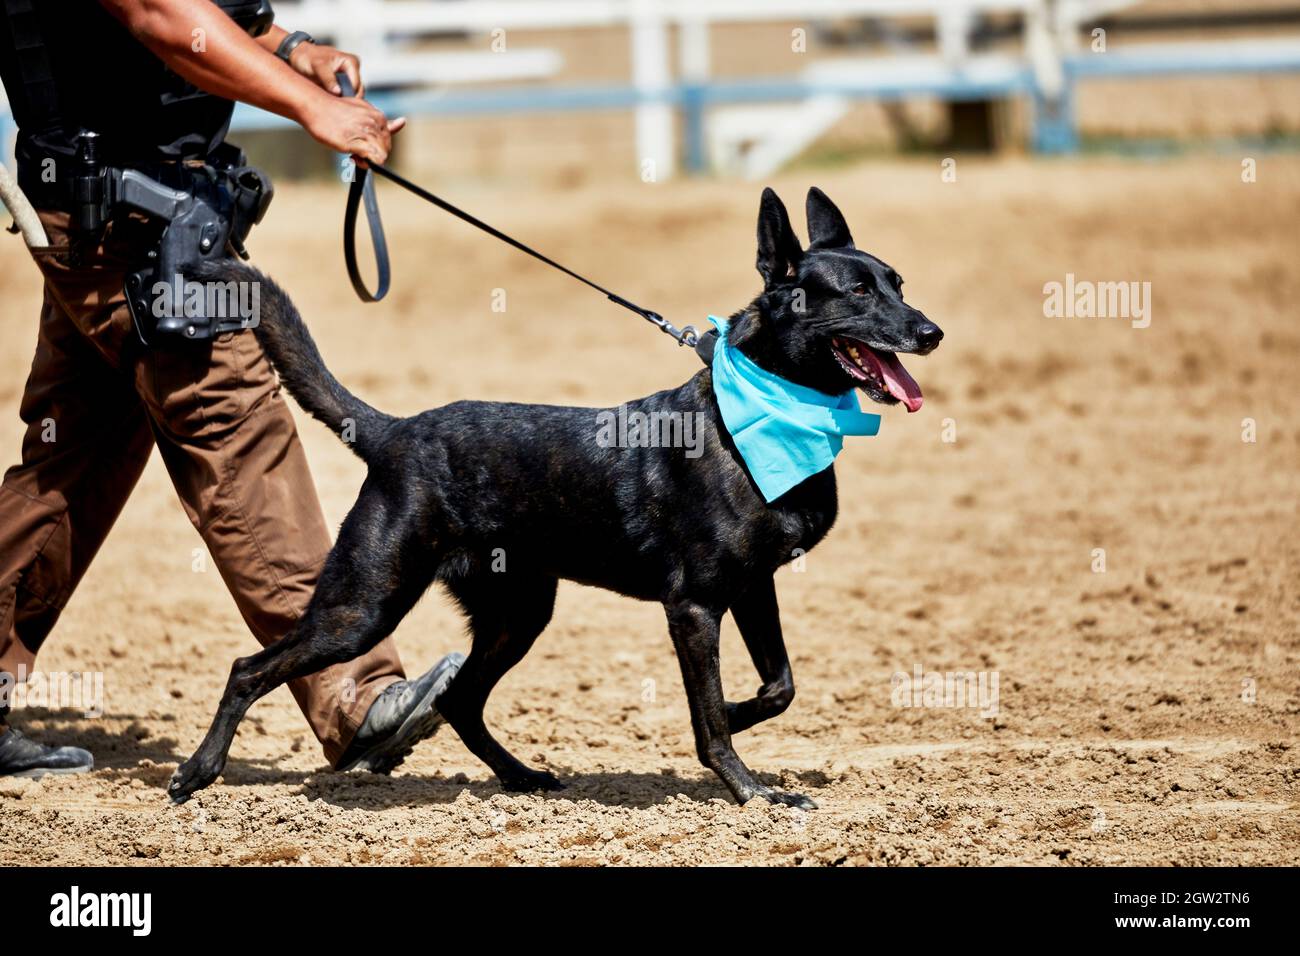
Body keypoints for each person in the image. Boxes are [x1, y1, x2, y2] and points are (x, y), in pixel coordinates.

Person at [0, 0, 460, 778]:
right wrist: (311, 105)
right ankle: (352, 689)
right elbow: (161, 17)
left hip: (122, 214)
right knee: (237, 429)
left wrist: (296, 49)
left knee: (71, 461)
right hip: (125, 221)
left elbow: (218, 12)